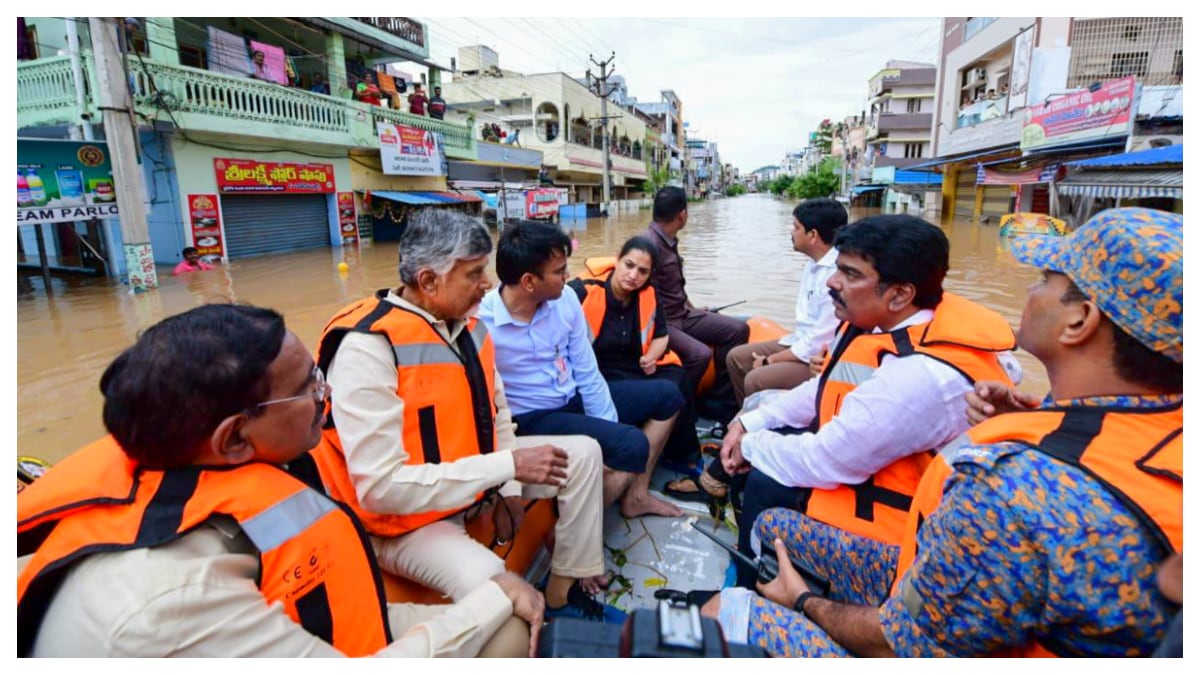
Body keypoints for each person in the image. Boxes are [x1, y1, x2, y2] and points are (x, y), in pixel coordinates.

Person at [703, 207, 1183, 658]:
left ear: (1080, 321)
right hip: (953, 579)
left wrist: (803, 600)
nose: (1030, 291)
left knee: (725, 614)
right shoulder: (1154, 425)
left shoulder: (1011, 490)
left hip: (910, 626)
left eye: (1044, 280)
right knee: (771, 526)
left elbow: (901, 642)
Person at [17, 304, 540, 657]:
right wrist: (495, 598)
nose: (327, 392)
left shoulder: (193, 460)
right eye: (309, 384)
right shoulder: (172, 596)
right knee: (507, 624)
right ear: (234, 438)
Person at [309, 209, 618, 625]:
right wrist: (506, 467)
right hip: (405, 523)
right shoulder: (367, 348)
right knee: (504, 598)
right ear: (428, 281)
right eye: (474, 274)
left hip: (471, 479)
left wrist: (508, 486)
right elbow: (381, 488)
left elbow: (499, 413)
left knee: (583, 454)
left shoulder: (471, 327)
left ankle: (563, 590)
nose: (487, 284)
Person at [719, 215, 1017, 587]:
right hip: (869, 459)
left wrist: (748, 444)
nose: (832, 281)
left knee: (764, 482)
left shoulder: (918, 376)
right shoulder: (887, 328)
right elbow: (828, 387)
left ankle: (753, 590)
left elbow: (825, 459)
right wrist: (752, 423)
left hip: (901, 535)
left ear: (900, 294)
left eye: (850, 274)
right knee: (763, 420)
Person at [479, 221, 682, 522]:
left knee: (668, 395)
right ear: (529, 281)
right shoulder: (480, 320)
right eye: (559, 271)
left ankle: (635, 496)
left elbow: (586, 370)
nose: (568, 277)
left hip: (570, 396)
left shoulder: (565, 302)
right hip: (531, 416)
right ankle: (577, 533)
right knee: (631, 444)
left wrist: (608, 432)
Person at [567, 235, 700, 516]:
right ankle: (637, 490)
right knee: (668, 394)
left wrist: (652, 355)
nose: (633, 275)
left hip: (632, 369)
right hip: (595, 377)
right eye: (629, 265)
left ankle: (678, 459)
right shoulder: (581, 291)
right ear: (617, 259)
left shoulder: (647, 295)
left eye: (642, 271)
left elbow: (661, 336)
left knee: (678, 377)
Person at [642, 186, 750, 421]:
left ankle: (720, 399)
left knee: (738, 330)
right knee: (700, 355)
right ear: (683, 214)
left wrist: (691, 307)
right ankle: (680, 410)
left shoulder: (668, 239)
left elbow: (673, 287)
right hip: (662, 322)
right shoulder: (647, 244)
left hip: (682, 314)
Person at [726, 198, 848, 404]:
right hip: (799, 341)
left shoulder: (835, 276)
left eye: (796, 227)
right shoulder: (813, 264)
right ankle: (741, 416)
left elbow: (818, 341)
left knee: (756, 379)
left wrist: (770, 360)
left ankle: (759, 429)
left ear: (813, 235)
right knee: (736, 357)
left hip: (818, 358)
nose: (791, 232)